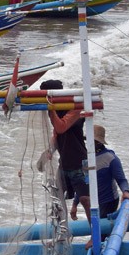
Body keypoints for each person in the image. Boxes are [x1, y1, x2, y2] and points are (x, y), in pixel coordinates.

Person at [40, 79, 91, 236]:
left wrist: (50, 110)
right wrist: (47, 153)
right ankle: (62, 234)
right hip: (64, 164)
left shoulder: (76, 108)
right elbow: (56, 136)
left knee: (85, 200)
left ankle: (96, 235)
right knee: (56, 199)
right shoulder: (56, 111)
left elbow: (61, 127)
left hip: (79, 163)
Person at [71, 125, 129, 222]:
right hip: (93, 202)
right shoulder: (85, 160)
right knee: (95, 228)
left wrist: (125, 192)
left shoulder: (110, 158)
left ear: (98, 143)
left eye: (93, 141)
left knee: (100, 231)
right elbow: (84, 184)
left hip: (108, 201)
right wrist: (74, 205)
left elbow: (121, 179)